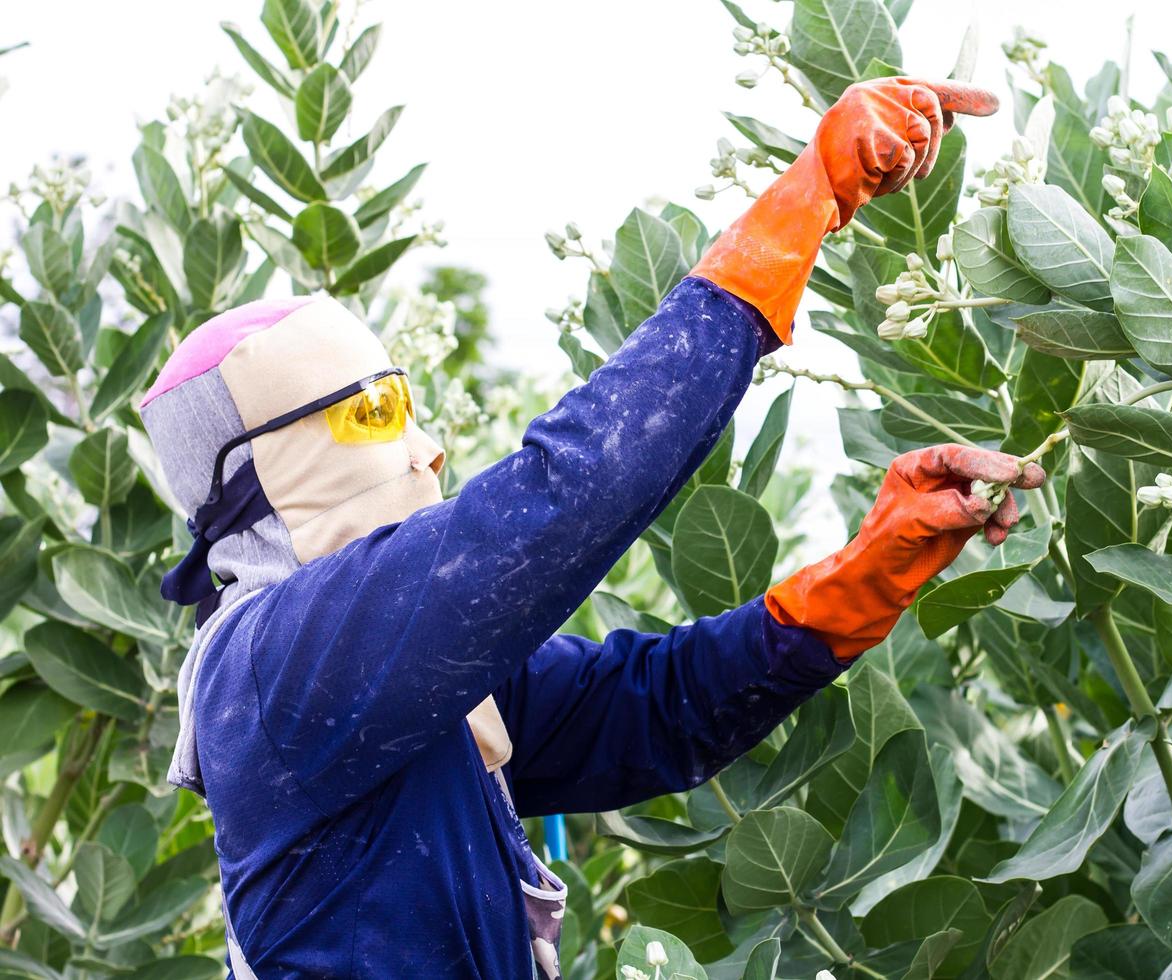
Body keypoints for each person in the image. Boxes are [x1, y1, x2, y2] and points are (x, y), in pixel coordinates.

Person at [140, 76, 1045, 979]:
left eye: (410, 406)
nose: (429, 448)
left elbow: (656, 710)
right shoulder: (272, 664)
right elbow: (562, 500)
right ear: (258, 473)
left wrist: (871, 570)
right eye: (373, 413)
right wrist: (806, 199)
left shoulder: (398, 682)